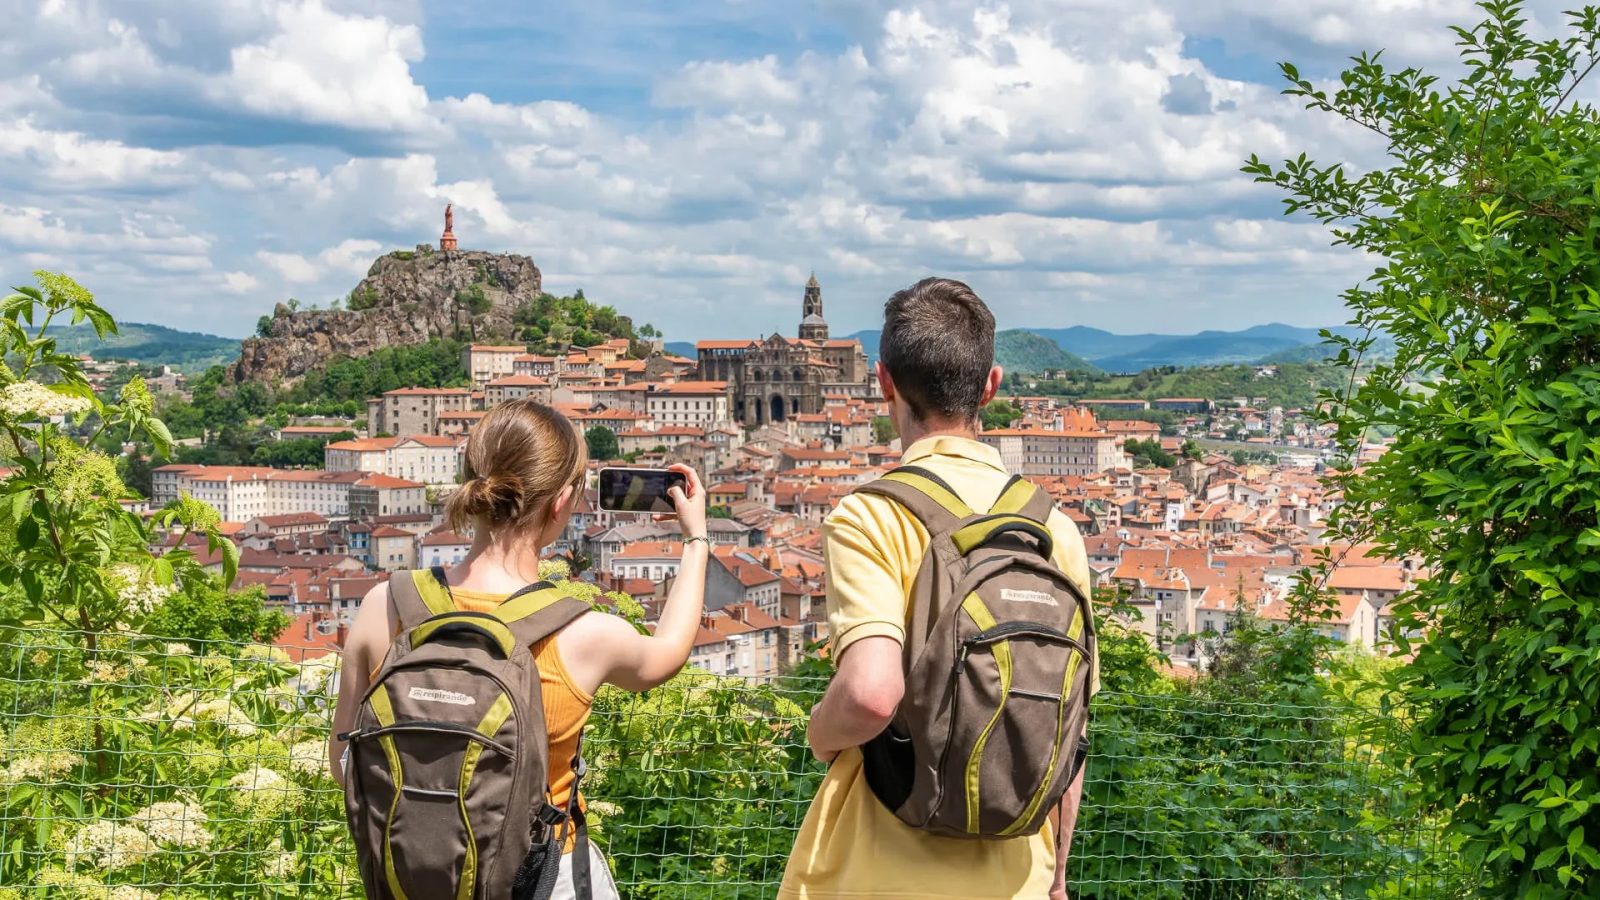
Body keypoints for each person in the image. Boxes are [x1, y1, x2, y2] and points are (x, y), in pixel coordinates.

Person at [779, 277, 1096, 900]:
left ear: (883, 381)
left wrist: (818, 731)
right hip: (1018, 875)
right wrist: (1057, 876)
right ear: (991, 386)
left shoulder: (871, 517)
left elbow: (871, 695)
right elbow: (1070, 726)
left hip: (880, 870)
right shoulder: (1054, 529)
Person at [330, 399, 710, 899]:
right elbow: (670, 650)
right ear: (560, 504)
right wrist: (696, 536)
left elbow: (343, 763)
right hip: (542, 878)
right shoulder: (583, 632)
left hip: (411, 881)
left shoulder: (387, 604)